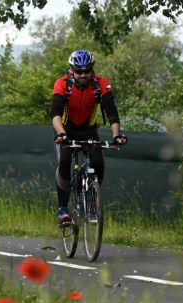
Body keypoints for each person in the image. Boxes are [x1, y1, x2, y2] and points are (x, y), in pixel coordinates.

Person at [51, 49, 127, 224]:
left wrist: (116, 136)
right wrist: (61, 133)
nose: (83, 75)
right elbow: (55, 113)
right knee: (64, 162)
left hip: (88, 130)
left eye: (87, 71)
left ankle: (91, 203)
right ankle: (63, 209)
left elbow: (112, 113)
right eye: (79, 71)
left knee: (98, 163)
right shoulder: (63, 84)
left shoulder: (101, 84)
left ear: (92, 70)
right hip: (65, 129)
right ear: (72, 70)